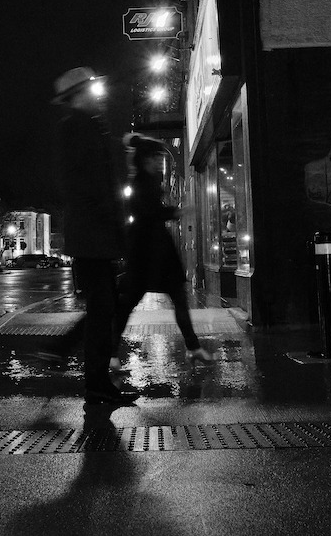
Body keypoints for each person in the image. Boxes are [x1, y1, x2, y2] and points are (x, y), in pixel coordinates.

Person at [48, 66, 138, 406]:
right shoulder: (75, 127)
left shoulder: (87, 125)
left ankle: (93, 379)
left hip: (96, 233)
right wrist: (107, 219)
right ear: (77, 95)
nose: (96, 95)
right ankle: (96, 383)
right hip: (91, 235)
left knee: (104, 309)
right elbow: (82, 184)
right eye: (90, 90)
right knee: (103, 310)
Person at [112, 133, 214, 369]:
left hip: (157, 252)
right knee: (129, 303)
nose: (160, 161)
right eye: (156, 157)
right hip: (147, 253)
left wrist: (171, 212)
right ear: (146, 159)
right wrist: (176, 212)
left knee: (177, 299)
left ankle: (193, 347)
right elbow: (148, 213)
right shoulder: (140, 183)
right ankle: (111, 352)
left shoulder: (147, 181)